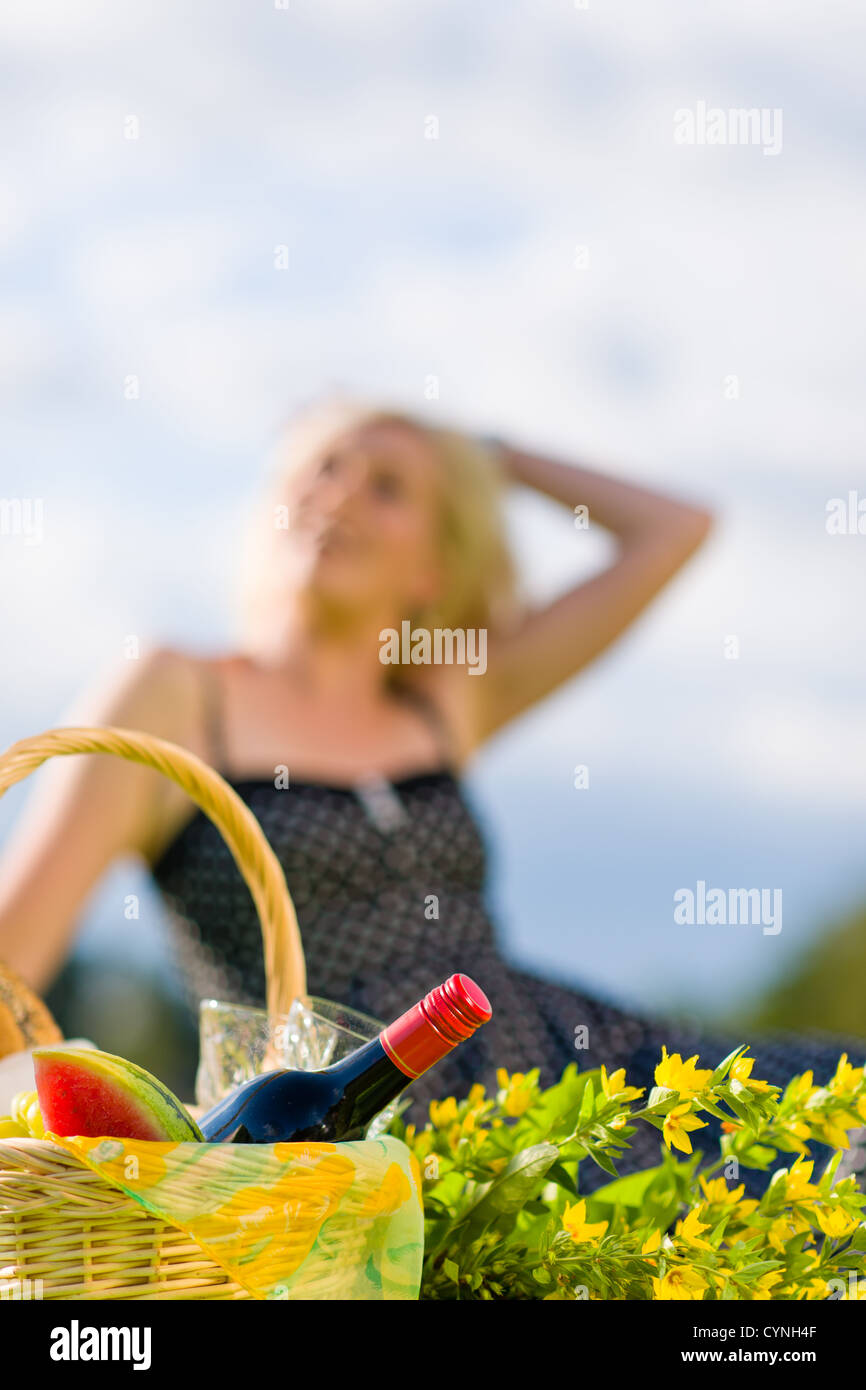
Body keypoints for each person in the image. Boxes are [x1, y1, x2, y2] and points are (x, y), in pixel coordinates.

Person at [0, 397, 858, 1191]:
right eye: (323, 466)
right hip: (344, 1142)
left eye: (387, 487)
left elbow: (676, 529)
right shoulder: (177, 693)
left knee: (830, 1126)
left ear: (432, 570)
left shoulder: (445, 698)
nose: (341, 493)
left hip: (556, 1087)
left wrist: (487, 456)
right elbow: (8, 966)